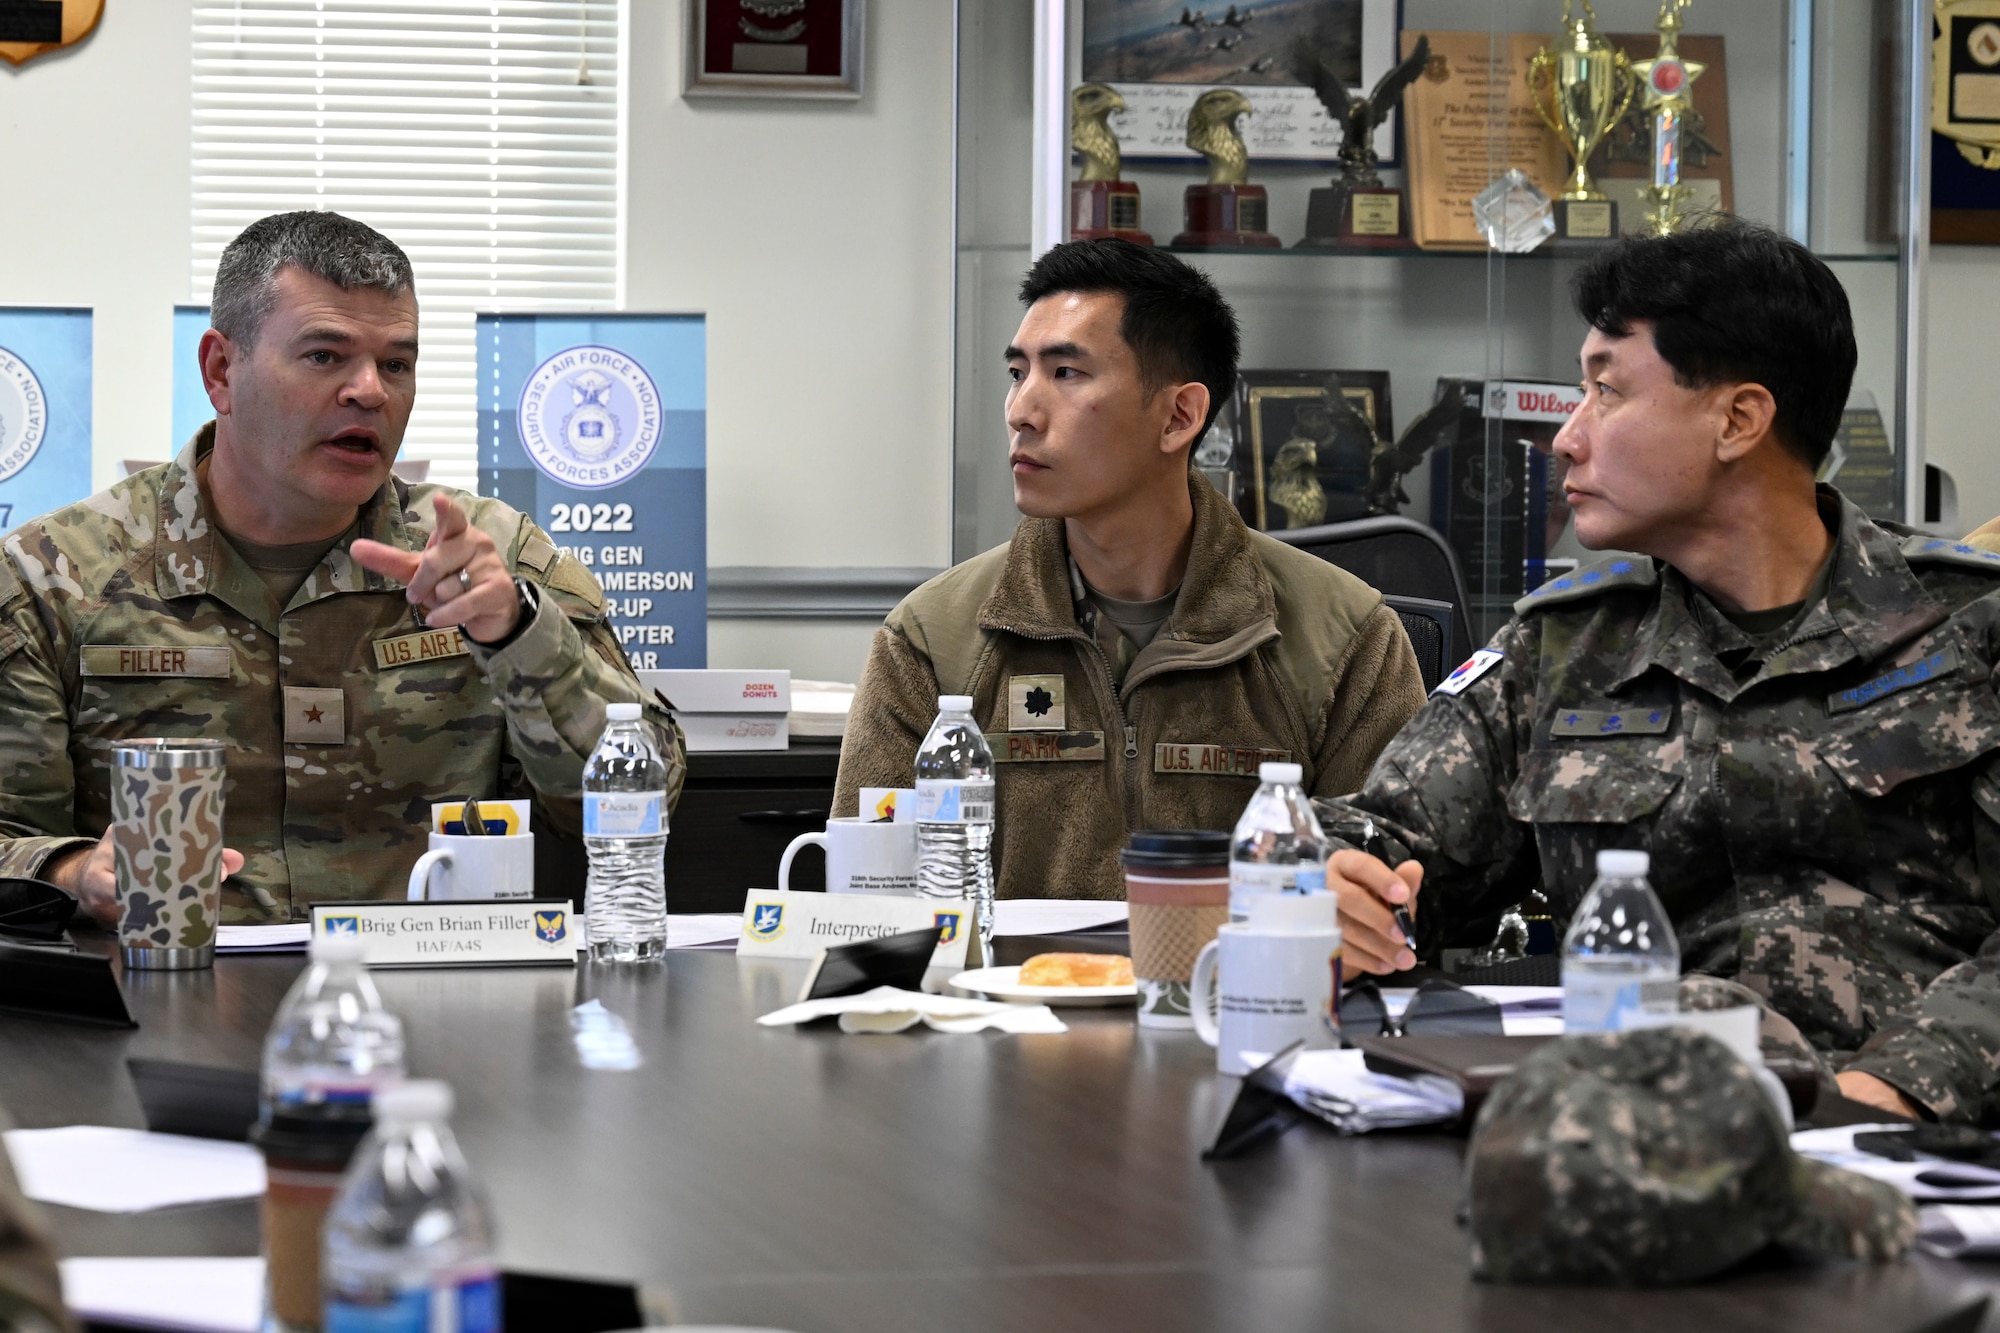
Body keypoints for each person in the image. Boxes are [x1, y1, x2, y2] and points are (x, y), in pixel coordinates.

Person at [1321, 220, 2000, 1124]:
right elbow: (1394, 841)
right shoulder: (1565, 647)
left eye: (1606, 390)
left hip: (1930, 1155)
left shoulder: (1968, 632)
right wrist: (1332, 881)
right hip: (1641, 1135)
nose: (1565, 437)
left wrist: (1889, 1094)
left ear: (1739, 419)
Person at [0, 211, 681, 924]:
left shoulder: (493, 559)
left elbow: (644, 801)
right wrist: (76, 870)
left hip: (431, 1002)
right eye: (325, 356)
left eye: (396, 363)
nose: (370, 392)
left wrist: (518, 634)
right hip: (169, 994)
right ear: (220, 370)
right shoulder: (54, 575)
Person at [834, 238, 1426, 900]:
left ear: (1179, 416)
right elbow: (869, 902)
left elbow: (1392, 897)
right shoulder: (931, 638)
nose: (1021, 411)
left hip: (1236, 1000)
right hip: (1001, 1002)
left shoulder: (1347, 639)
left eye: (1066, 374)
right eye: (1017, 373)